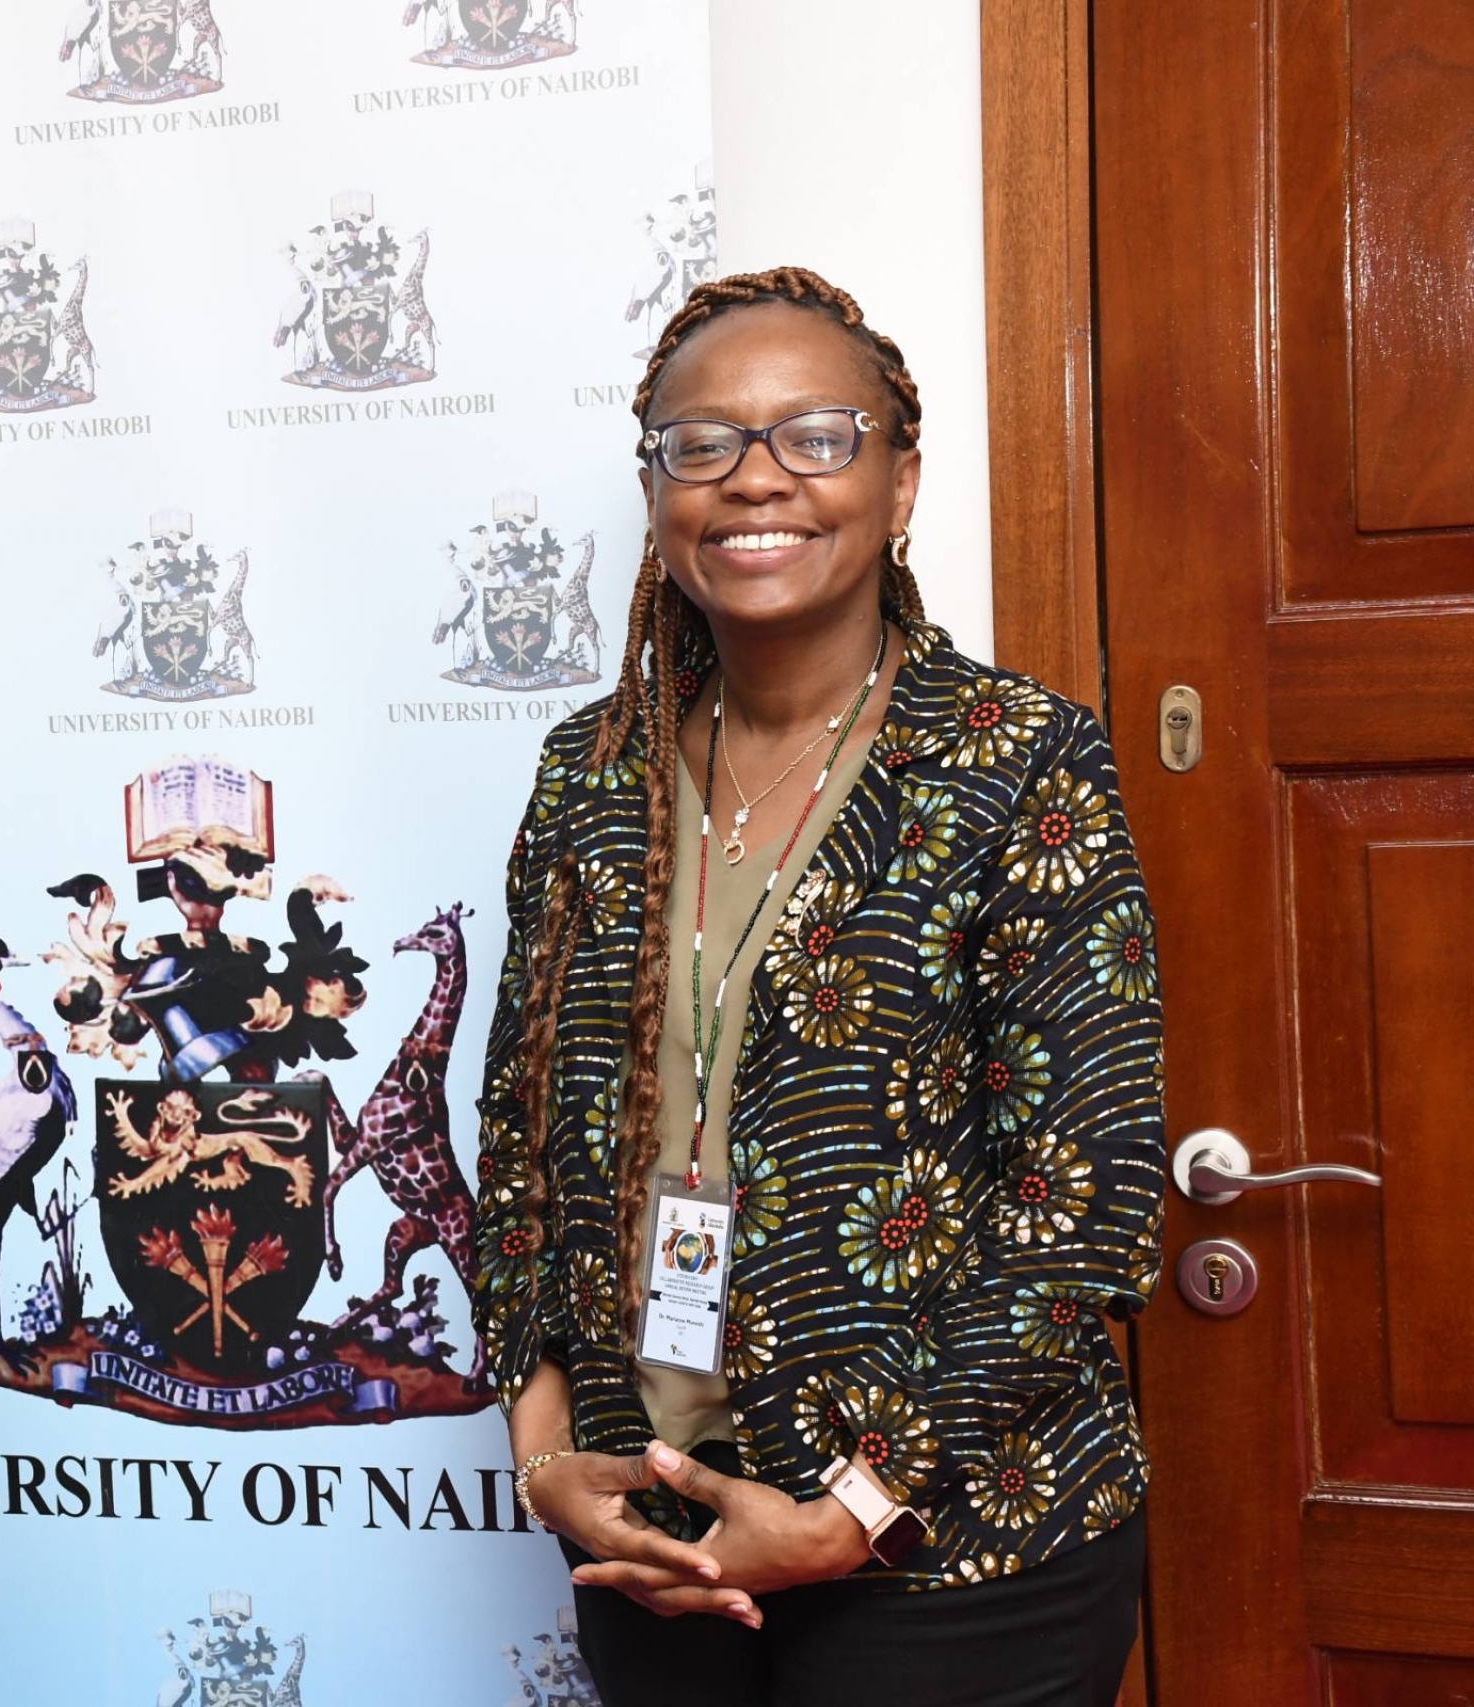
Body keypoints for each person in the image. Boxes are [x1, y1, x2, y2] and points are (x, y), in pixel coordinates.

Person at [475, 267, 1164, 1705]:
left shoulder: (1016, 763)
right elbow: (518, 1134)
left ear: (901, 483)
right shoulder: (588, 775)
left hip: (958, 1565)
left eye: (817, 436)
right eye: (702, 442)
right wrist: (545, 1454)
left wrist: (849, 1508)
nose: (755, 479)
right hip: (655, 1535)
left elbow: (1081, 1209)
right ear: (657, 495)